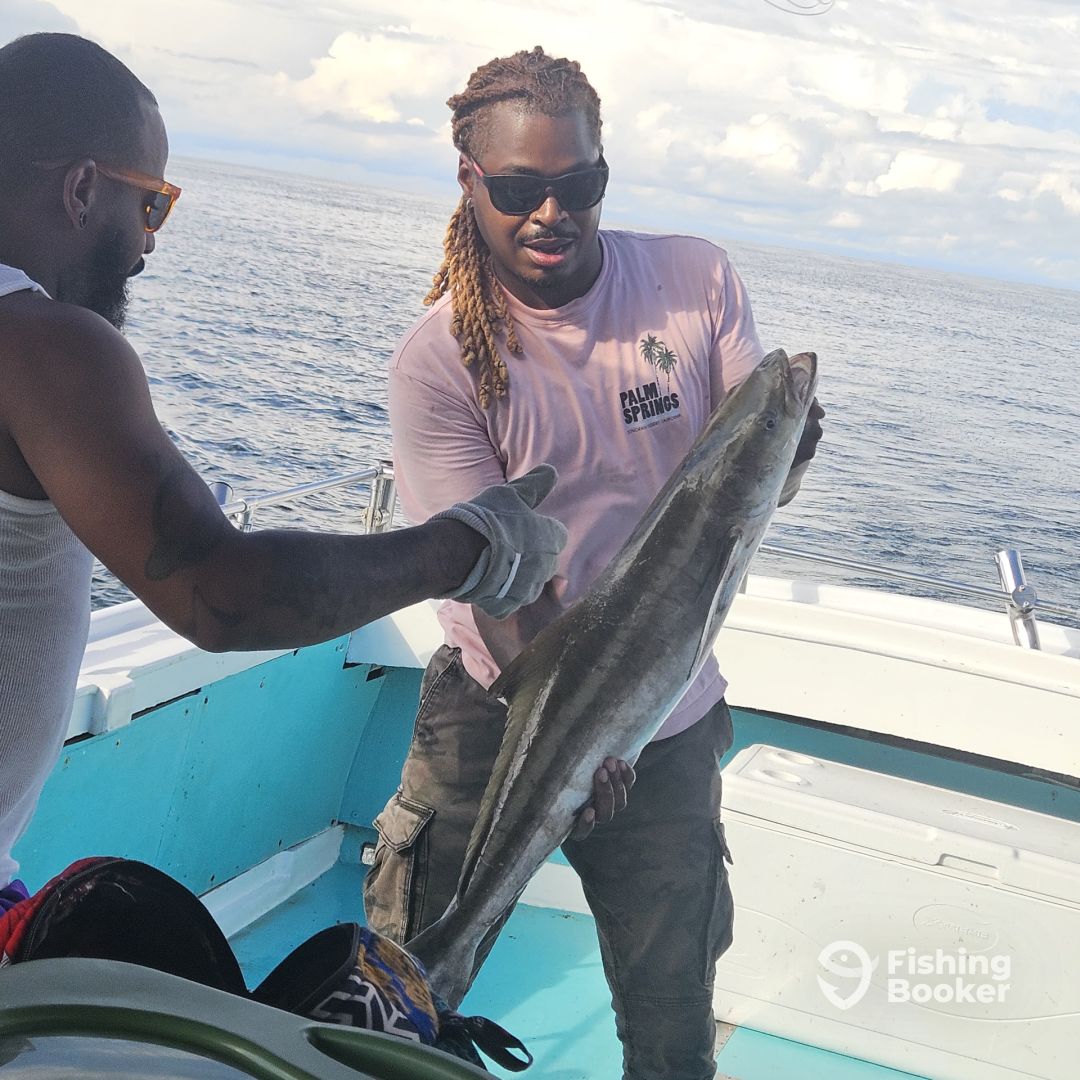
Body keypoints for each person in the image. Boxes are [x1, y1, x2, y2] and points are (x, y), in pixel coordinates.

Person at [0, 33, 570, 907]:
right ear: (81, 189)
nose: (147, 246)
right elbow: (221, 595)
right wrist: (470, 547)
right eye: (151, 204)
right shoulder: (43, 346)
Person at [363, 46, 825, 1080]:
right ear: (471, 181)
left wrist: (793, 450)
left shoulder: (694, 281)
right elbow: (490, 585)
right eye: (519, 189)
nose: (551, 213)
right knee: (395, 1000)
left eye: (579, 185)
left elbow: (748, 474)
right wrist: (574, 738)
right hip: (497, 700)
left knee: (671, 1026)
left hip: (667, 720)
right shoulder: (440, 362)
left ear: (605, 172)